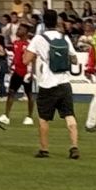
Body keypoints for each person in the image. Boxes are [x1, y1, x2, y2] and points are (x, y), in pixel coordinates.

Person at [27, 10, 81, 160]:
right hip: (64, 83)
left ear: (44, 22)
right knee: (69, 116)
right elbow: (75, 60)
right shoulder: (64, 37)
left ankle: (44, 149)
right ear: (56, 21)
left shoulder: (39, 38)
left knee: (44, 118)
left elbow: (26, 59)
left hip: (47, 84)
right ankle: (74, 146)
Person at [1, 24, 35, 126]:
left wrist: (32, 72)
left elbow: (34, 59)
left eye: (20, 29)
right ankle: (6, 116)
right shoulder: (16, 43)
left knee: (29, 94)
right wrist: (11, 65)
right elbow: (16, 56)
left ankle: (29, 117)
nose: (18, 31)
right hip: (17, 71)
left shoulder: (30, 44)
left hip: (26, 73)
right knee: (11, 92)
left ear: (26, 31)